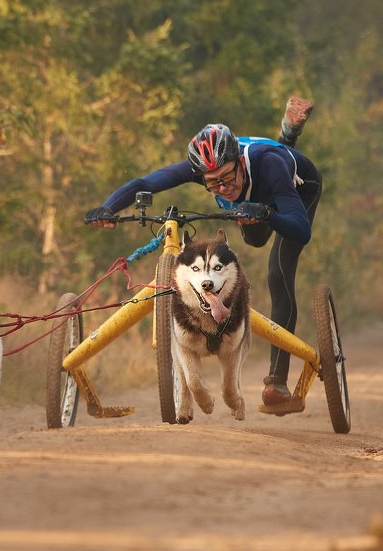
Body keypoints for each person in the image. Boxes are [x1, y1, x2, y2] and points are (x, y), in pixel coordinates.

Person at [84, 97, 320, 407]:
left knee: (278, 272)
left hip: (295, 187)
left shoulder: (270, 166)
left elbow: (302, 230)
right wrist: (108, 208)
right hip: (254, 200)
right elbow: (146, 182)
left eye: (227, 177)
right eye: (212, 183)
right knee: (254, 238)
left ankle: (276, 381)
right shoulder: (203, 170)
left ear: (237, 162)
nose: (222, 188)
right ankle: (281, 146)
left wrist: (269, 214)